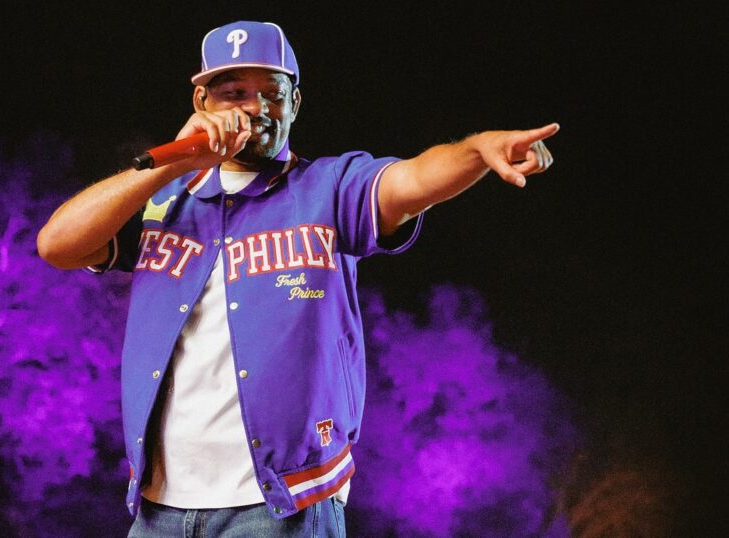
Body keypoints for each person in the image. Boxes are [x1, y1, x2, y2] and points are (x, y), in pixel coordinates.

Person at [38, 20, 556, 537]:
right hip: (159, 509)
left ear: (295, 104)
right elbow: (57, 245)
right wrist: (172, 165)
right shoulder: (162, 203)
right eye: (233, 93)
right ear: (201, 103)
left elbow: (415, 178)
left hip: (281, 506)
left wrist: (475, 151)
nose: (255, 108)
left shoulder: (329, 189)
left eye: (272, 93)